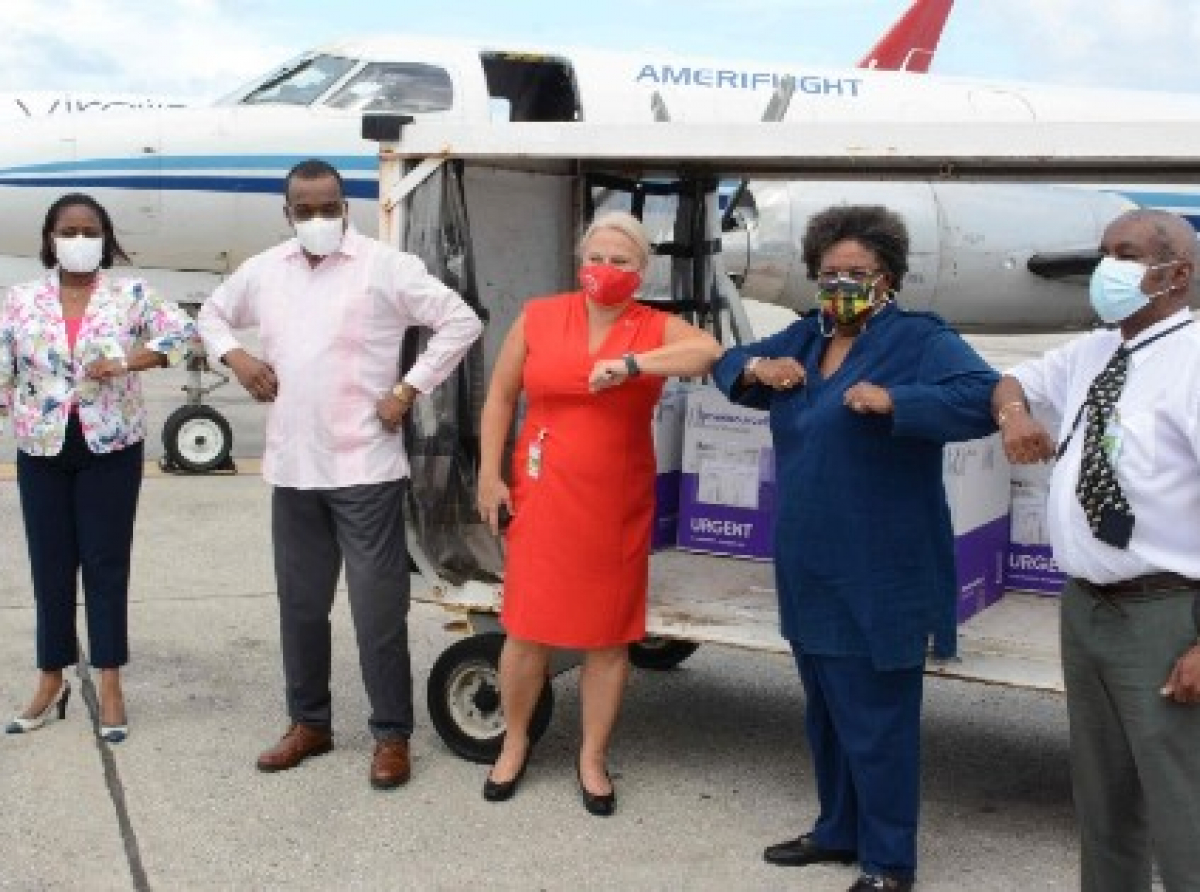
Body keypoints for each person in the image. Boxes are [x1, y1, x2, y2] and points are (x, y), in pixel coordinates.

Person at [710, 205, 997, 892]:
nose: (842, 284)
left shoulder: (918, 338)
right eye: (831, 272)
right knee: (828, 712)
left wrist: (898, 402)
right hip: (809, 563)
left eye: (858, 274)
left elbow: (982, 395)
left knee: (878, 721)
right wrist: (761, 370)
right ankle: (838, 829)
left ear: (888, 278)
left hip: (883, 569)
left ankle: (890, 861)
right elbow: (728, 362)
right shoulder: (807, 337)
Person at [197, 159, 482, 790]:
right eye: (306, 210)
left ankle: (391, 735)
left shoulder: (385, 267)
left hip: (364, 468)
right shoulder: (265, 270)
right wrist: (238, 358)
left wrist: (408, 390)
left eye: (329, 208)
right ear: (287, 212)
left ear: (345, 207)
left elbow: (460, 320)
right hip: (293, 467)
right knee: (300, 609)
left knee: (376, 611)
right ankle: (310, 724)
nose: (319, 219)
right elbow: (211, 315)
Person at [476, 210, 721, 814]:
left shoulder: (654, 327)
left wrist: (634, 364)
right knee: (527, 629)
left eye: (620, 261)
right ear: (579, 261)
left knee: (607, 638)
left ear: (642, 270)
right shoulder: (538, 315)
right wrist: (489, 474)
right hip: (542, 492)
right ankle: (513, 743)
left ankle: (592, 757)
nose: (604, 270)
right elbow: (502, 396)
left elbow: (706, 353)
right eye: (596, 258)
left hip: (615, 501)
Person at [994, 208, 1200, 892]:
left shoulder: (1194, 361)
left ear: (1178, 274)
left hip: (1166, 616)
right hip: (1086, 609)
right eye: (1104, 251)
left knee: (1185, 808)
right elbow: (1013, 382)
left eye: (1127, 253)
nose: (1106, 267)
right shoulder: (1095, 351)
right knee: (1103, 801)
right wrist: (1016, 417)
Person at [1, 192, 196, 744]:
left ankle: (110, 679)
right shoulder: (21, 299)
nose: (80, 240)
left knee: (106, 565)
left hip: (110, 444)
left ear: (106, 239)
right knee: (50, 566)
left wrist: (128, 361)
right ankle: (50, 677)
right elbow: (4, 368)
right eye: (70, 231)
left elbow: (182, 337)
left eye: (91, 232)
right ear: (50, 238)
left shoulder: (130, 294)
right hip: (41, 446)